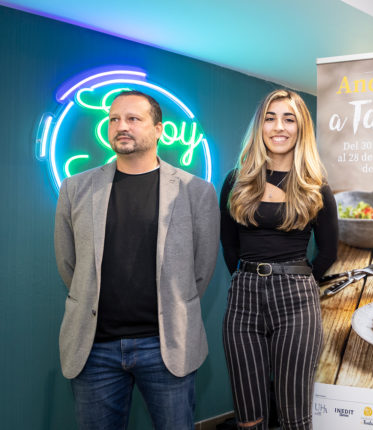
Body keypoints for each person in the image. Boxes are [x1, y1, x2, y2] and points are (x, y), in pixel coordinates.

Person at [54, 90, 220, 430]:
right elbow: (69, 263)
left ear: (158, 130)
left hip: (167, 346)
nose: (121, 126)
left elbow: (201, 270)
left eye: (133, 118)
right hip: (94, 349)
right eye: (114, 119)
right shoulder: (75, 188)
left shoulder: (195, 190)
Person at [220, 89, 338, 429]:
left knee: (294, 416)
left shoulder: (315, 186)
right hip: (243, 301)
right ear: (260, 127)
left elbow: (328, 251)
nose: (279, 127)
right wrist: (247, 278)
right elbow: (228, 244)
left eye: (289, 119)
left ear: (301, 128)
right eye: (270, 118)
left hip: (297, 302)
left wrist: (299, 279)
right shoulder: (237, 180)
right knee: (248, 415)